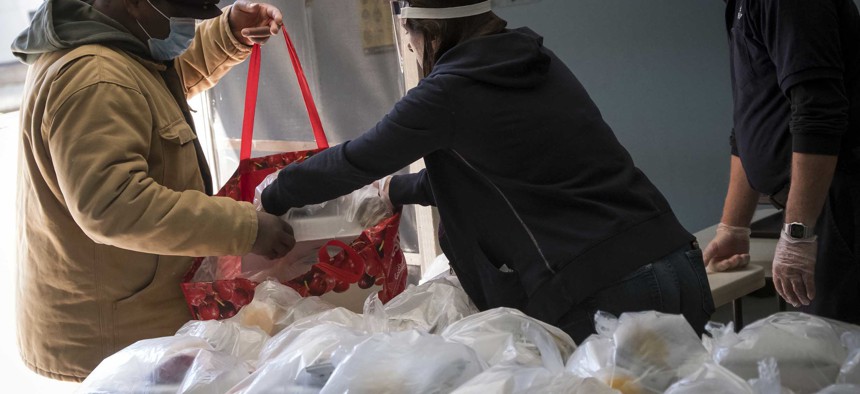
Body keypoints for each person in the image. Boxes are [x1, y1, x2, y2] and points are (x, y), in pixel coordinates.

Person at [260, 0, 714, 343]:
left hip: (607, 292)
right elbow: (520, 172)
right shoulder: (538, 61)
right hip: (677, 264)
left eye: (411, 37)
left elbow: (355, 160)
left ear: (427, 30)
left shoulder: (449, 91)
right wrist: (398, 190)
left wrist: (273, 195)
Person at [12, 0, 295, 382]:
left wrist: (228, 34)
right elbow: (115, 205)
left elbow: (157, 86)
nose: (187, 22)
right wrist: (247, 228)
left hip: (125, 320)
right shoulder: (96, 78)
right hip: (118, 340)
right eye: (178, 10)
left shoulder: (114, 48)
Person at [704, 0, 860, 324]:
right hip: (820, 207)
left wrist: (798, 236)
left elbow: (817, 114)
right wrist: (733, 227)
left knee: (840, 350)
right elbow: (753, 119)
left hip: (839, 202)